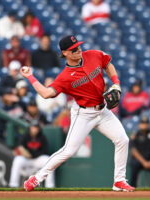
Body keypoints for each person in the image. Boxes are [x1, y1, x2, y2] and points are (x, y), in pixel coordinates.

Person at [20, 35, 135, 192]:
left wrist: (116, 83)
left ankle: (119, 181)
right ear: (65, 53)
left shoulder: (93, 55)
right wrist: (30, 76)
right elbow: (46, 93)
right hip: (83, 114)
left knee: (123, 140)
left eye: (79, 46)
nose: (78, 50)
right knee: (69, 150)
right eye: (74, 49)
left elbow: (108, 64)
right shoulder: (65, 77)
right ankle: (36, 178)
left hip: (102, 110)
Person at [9, 120, 55, 188]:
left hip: (37, 160)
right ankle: (13, 185)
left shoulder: (42, 137)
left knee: (48, 160)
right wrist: (24, 153)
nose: (34, 130)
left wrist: (32, 154)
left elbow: (45, 151)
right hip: (26, 160)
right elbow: (19, 147)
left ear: (39, 129)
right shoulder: (25, 136)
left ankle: (50, 186)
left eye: (36, 128)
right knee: (17, 160)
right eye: (33, 127)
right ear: (30, 128)